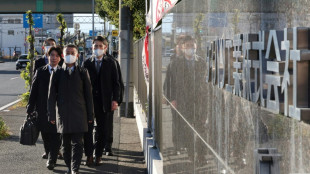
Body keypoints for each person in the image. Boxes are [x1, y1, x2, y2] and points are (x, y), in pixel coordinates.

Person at [48, 44, 94, 174]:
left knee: (78, 143)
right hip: (63, 114)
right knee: (66, 144)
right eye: (67, 52)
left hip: (80, 113)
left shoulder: (82, 72)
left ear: (77, 55)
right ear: (63, 55)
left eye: (72, 53)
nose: (70, 55)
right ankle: (69, 165)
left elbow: (88, 96)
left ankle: (75, 168)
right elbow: (51, 96)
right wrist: (51, 114)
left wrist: (90, 115)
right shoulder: (57, 72)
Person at [83, 36, 120, 166]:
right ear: (92, 48)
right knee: (87, 130)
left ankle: (98, 155)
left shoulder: (111, 63)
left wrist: (115, 100)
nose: (97, 48)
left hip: (105, 102)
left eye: (100, 46)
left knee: (102, 130)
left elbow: (116, 84)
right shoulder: (87, 63)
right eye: (95, 46)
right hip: (89, 102)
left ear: (105, 48)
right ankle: (88, 155)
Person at [27, 46, 62, 170]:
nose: (54, 58)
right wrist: (30, 106)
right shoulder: (40, 71)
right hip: (42, 108)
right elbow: (34, 90)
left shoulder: (62, 72)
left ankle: (52, 159)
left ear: (60, 58)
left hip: (58, 110)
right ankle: (49, 154)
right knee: (46, 135)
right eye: (51, 55)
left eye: (56, 56)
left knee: (56, 135)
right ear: (48, 56)